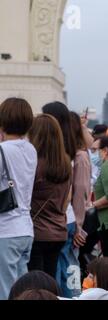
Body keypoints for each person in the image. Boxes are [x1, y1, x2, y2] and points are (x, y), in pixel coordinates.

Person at [42, 102, 81, 298]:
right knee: (69, 269)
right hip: (66, 220)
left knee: (54, 275)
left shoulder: (47, 155)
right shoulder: (73, 151)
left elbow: (77, 191)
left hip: (54, 221)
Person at [0, 98, 37, 300]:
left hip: (5, 229)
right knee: (22, 292)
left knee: (5, 292)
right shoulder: (30, 149)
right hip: (25, 228)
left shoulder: (4, 150)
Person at [27, 115, 72, 279]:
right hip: (59, 230)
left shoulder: (34, 164)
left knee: (36, 283)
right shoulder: (65, 163)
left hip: (37, 231)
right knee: (50, 280)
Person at [70, 112, 93, 250]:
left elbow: (80, 192)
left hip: (73, 223)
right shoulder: (77, 154)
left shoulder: (80, 156)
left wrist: (77, 227)